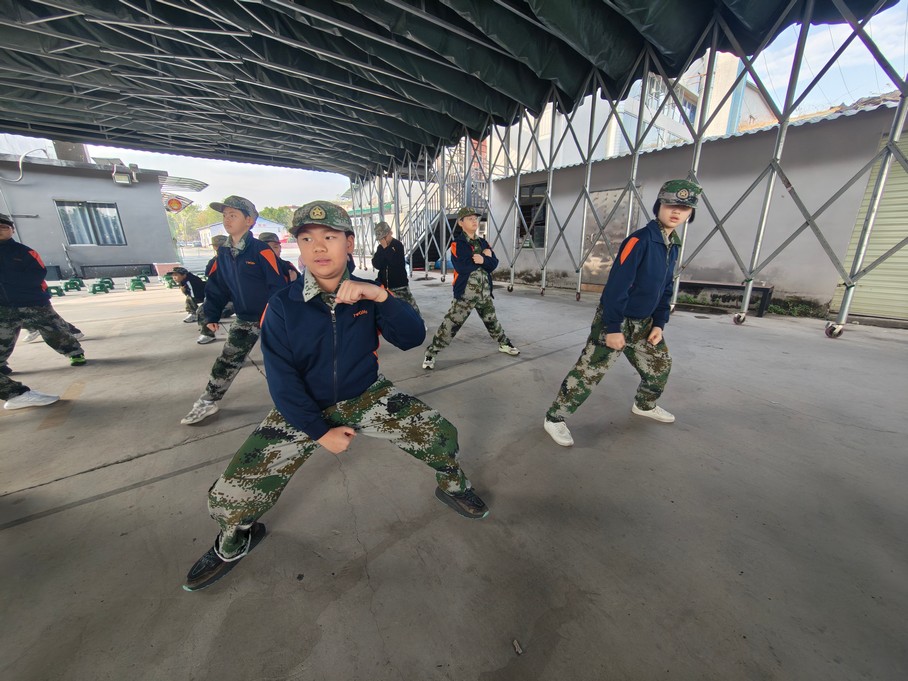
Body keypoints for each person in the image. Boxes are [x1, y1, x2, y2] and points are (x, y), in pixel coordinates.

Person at [182, 201, 489, 591]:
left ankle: (453, 486)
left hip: (366, 393)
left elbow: (412, 339)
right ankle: (234, 539)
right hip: (303, 405)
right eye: (307, 239)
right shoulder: (283, 305)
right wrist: (318, 431)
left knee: (440, 436)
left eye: (329, 237)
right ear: (299, 247)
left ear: (349, 243)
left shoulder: (368, 293)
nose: (318, 247)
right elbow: (282, 381)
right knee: (230, 497)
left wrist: (380, 297)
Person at [542, 179, 701, 447]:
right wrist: (613, 327)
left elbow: (665, 287)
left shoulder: (672, 244)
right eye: (670, 205)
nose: (676, 211)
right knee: (588, 373)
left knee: (660, 366)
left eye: (684, 208)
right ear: (659, 206)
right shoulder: (640, 240)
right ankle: (554, 419)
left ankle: (645, 405)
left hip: (645, 323)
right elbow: (616, 287)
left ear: (690, 214)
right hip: (618, 319)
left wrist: (659, 323)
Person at [180, 196, 288, 425]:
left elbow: (278, 286)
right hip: (245, 318)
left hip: (272, 318)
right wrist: (211, 314)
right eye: (225, 215)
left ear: (249, 221)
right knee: (228, 359)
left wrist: (276, 316)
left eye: (233, 215)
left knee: (286, 361)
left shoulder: (261, 251)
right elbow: (216, 287)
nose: (227, 220)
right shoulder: (223, 253)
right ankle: (208, 401)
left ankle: (300, 403)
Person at [1, 213, 86, 410]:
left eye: (4, 227)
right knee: (3, 337)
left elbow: (37, 274)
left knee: (53, 330)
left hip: (32, 302)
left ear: (12, 229)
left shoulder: (24, 252)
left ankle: (74, 352)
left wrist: (10, 283)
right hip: (3, 307)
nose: (0, 231)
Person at [422, 206, 519, 369]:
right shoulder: (458, 244)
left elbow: (493, 264)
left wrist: (483, 260)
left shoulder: (483, 242)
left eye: (475, 218)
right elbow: (462, 266)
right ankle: (431, 353)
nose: (474, 221)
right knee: (450, 325)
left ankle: (504, 344)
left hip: (484, 293)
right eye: (470, 219)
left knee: (492, 321)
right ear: (461, 223)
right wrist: (483, 258)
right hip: (465, 295)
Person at [371, 220, 421, 317]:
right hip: (385, 286)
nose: (383, 241)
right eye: (380, 239)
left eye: (384, 237)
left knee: (412, 308)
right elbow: (377, 264)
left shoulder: (397, 245)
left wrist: (386, 248)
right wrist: (383, 249)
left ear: (390, 233)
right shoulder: (380, 248)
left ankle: (418, 322)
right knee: (388, 310)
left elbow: (395, 262)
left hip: (399, 285)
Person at [168, 266, 214, 344]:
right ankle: (193, 313)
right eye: (173, 276)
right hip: (207, 296)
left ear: (184, 275)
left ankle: (208, 334)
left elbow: (194, 296)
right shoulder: (183, 281)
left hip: (215, 297)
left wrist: (184, 292)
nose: (174, 277)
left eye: (176, 275)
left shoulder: (191, 281)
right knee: (192, 301)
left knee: (202, 311)